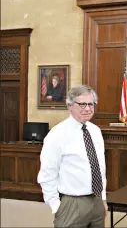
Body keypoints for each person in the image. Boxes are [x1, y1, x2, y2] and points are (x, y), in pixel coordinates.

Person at [37, 85, 107, 228]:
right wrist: (57, 206)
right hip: (71, 203)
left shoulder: (95, 131)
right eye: (82, 104)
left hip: (97, 201)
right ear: (69, 105)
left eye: (91, 104)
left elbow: (100, 168)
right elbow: (47, 174)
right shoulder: (57, 135)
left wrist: (103, 199)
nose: (87, 108)